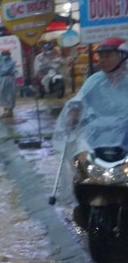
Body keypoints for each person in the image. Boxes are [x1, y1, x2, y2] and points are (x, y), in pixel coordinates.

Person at [54, 37, 128, 202]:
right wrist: (73, 114)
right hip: (98, 138)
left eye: (108, 56)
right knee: (81, 168)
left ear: (122, 55)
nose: (103, 60)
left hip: (125, 138)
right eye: (101, 56)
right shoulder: (94, 80)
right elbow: (78, 101)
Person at [0, 49, 18, 118]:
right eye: (3, 55)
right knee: (3, 96)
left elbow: (3, 70)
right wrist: (3, 72)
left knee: (10, 96)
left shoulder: (12, 62)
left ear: (9, 55)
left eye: (6, 54)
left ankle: (10, 111)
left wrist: (3, 71)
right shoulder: (1, 62)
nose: (4, 56)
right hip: (1, 81)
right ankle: (6, 110)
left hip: (9, 81)